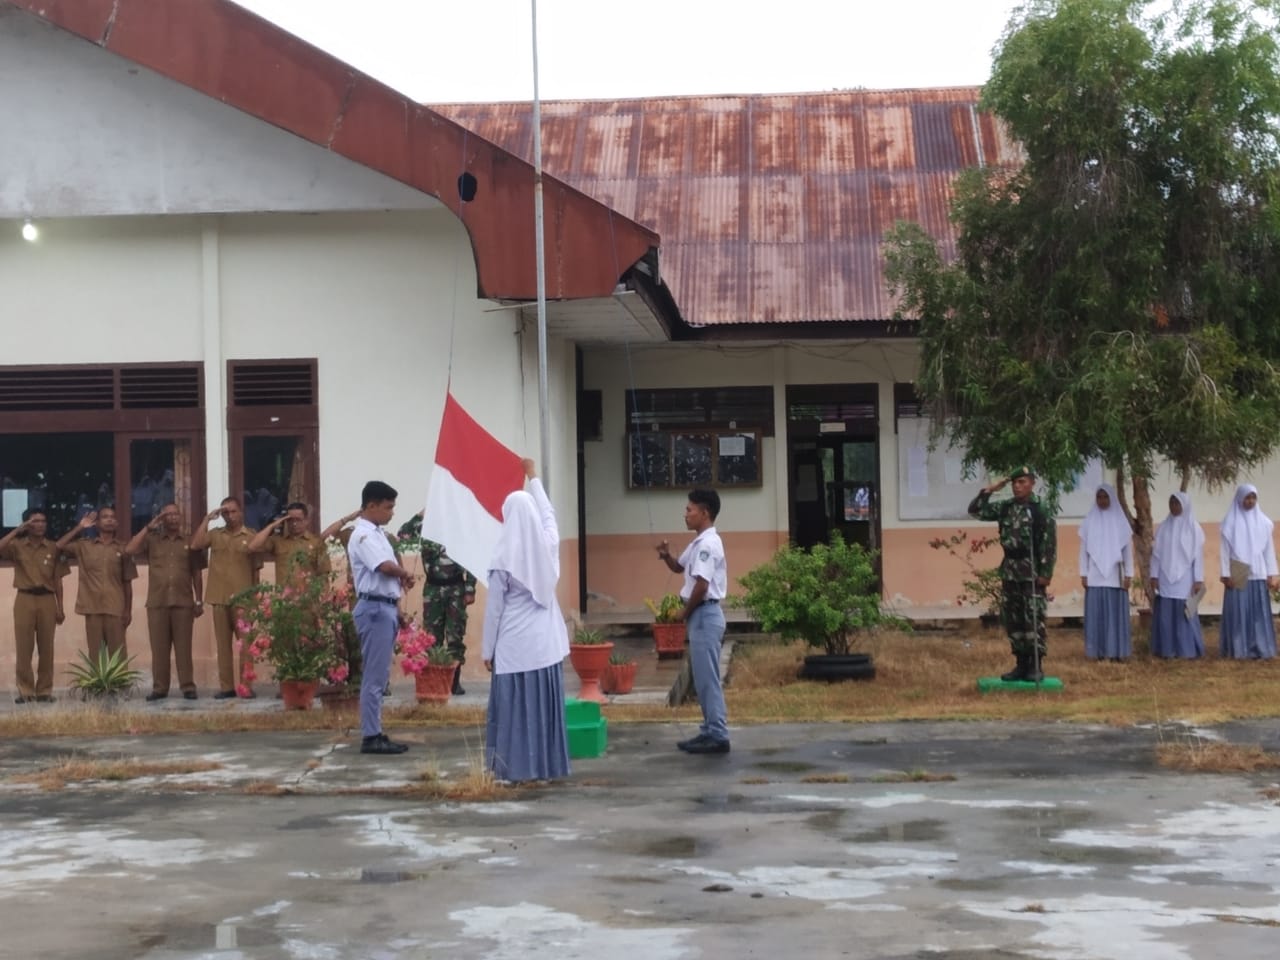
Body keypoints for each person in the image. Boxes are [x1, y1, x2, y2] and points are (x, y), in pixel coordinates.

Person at [482, 458, 572, 781]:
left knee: (514, 710)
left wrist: (486, 651)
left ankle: (511, 770)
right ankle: (545, 768)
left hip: (513, 644)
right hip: (546, 644)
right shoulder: (548, 545)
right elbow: (549, 514)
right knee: (542, 709)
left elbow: (494, 612)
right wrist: (533, 477)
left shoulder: (502, 557)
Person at [656, 487, 729, 754]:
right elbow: (680, 567)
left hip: (705, 614)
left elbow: (701, 585)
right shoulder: (698, 543)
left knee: (707, 678)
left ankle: (718, 733)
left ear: (705, 512)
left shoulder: (708, 544)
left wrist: (683, 613)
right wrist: (666, 556)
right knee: (702, 677)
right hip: (702, 615)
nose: (685, 514)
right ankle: (709, 730)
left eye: (690, 509)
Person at [968, 467, 1057, 681]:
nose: (1017, 486)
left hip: (1032, 570)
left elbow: (1049, 543)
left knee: (1033, 618)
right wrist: (990, 490)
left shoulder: (1040, 508)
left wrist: (1046, 573)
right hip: (1010, 569)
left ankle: (1035, 665)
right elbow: (976, 511)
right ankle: (1020, 664)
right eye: (1015, 483)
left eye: (1022, 482)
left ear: (1032, 483)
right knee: (1014, 619)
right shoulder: (1006, 507)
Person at [347, 480, 416, 755]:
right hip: (374, 610)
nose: (391, 513)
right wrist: (405, 573)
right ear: (371, 506)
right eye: (388, 507)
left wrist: (397, 609)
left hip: (383, 607)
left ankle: (375, 730)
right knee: (374, 678)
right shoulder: (363, 536)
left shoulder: (377, 534)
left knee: (379, 676)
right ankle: (371, 735)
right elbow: (384, 567)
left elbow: (385, 576)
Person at [124, 503, 204, 701]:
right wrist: (149, 527)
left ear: (181, 516)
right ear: (162, 518)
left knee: (184, 648)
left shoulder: (189, 541)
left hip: (183, 602)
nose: (173, 518)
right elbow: (130, 549)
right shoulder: (152, 540)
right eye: (168, 515)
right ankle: (160, 688)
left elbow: (197, 573)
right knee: (159, 649)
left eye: (176, 514)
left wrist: (199, 600)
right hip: (157, 602)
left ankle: (188, 687)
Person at [399, 510, 475, 695]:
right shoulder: (426, 529)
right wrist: (419, 515)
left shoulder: (461, 530)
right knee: (432, 637)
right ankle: (435, 680)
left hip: (455, 589)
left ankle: (454, 681)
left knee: (455, 635)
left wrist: (470, 589)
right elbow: (403, 534)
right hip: (433, 589)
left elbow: (472, 559)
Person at [190, 497, 259, 698]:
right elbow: (195, 544)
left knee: (246, 646)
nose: (230, 516)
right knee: (223, 646)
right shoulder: (215, 535)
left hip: (243, 598)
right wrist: (207, 519)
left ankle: (246, 686)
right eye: (225, 512)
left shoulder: (252, 536)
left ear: (241, 512)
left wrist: (254, 597)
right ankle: (226, 687)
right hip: (219, 597)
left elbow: (256, 571)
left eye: (233, 511)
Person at [0, 509, 69, 703]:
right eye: (35, 521)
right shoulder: (17, 546)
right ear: (26, 524)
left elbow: (57, 580)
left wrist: (60, 607)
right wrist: (17, 530)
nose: (40, 525)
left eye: (43, 521)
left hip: (47, 599)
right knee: (24, 647)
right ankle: (26, 691)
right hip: (24, 598)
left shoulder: (53, 547)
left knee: (47, 647)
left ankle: (45, 691)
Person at [55, 506, 137, 662]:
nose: (110, 520)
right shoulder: (84, 546)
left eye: (113, 517)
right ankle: (98, 687)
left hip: (116, 608)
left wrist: (128, 610)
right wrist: (80, 527)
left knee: (118, 655)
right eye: (105, 517)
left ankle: (118, 687)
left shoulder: (123, 549)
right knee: (96, 655)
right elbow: (59, 546)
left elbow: (128, 583)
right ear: (97, 523)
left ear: (117, 523)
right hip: (92, 608)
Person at [1218, 483, 1278, 660]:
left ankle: (1261, 647)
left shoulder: (1264, 523)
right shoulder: (1229, 523)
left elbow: (1268, 550)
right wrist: (1225, 574)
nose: (1250, 501)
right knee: (1239, 611)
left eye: (1253, 498)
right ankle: (1239, 649)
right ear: (1239, 498)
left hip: (1258, 570)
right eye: (1247, 497)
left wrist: (1272, 573)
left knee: (1258, 612)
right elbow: (1224, 551)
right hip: (1238, 568)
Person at [1079, 483, 1133, 661]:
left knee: (1114, 617)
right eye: (1099, 497)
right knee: (1097, 617)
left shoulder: (1120, 521)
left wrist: (1129, 574)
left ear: (1111, 498)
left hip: (1115, 576)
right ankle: (1098, 652)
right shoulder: (1089, 520)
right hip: (1094, 576)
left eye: (1105, 497)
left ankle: (1117, 651)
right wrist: (1083, 573)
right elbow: (1084, 549)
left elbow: (1127, 550)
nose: (1102, 500)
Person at [1149, 492, 1205, 659]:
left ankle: (1187, 650)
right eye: (1171, 503)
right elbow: (1156, 555)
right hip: (1165, 577)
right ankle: (1167, 649)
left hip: (1186, 578)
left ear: (1184, 505)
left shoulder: (1194, 528)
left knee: (1185, 612)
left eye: (1177, 503)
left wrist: (1198, 579)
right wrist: (1154, 576)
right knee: (1166, 614)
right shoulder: (1163, 528)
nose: (1174, 507)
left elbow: (1198, 557)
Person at [248, 501, 332, 588]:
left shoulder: (316, 543)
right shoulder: (278, 541)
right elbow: (253, 546)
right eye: (290, 520)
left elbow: (324, 576)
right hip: (284, 599)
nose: (294, 523)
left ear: (306, 521)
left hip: (307, 599)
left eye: (298, 520)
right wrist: (272, 526)